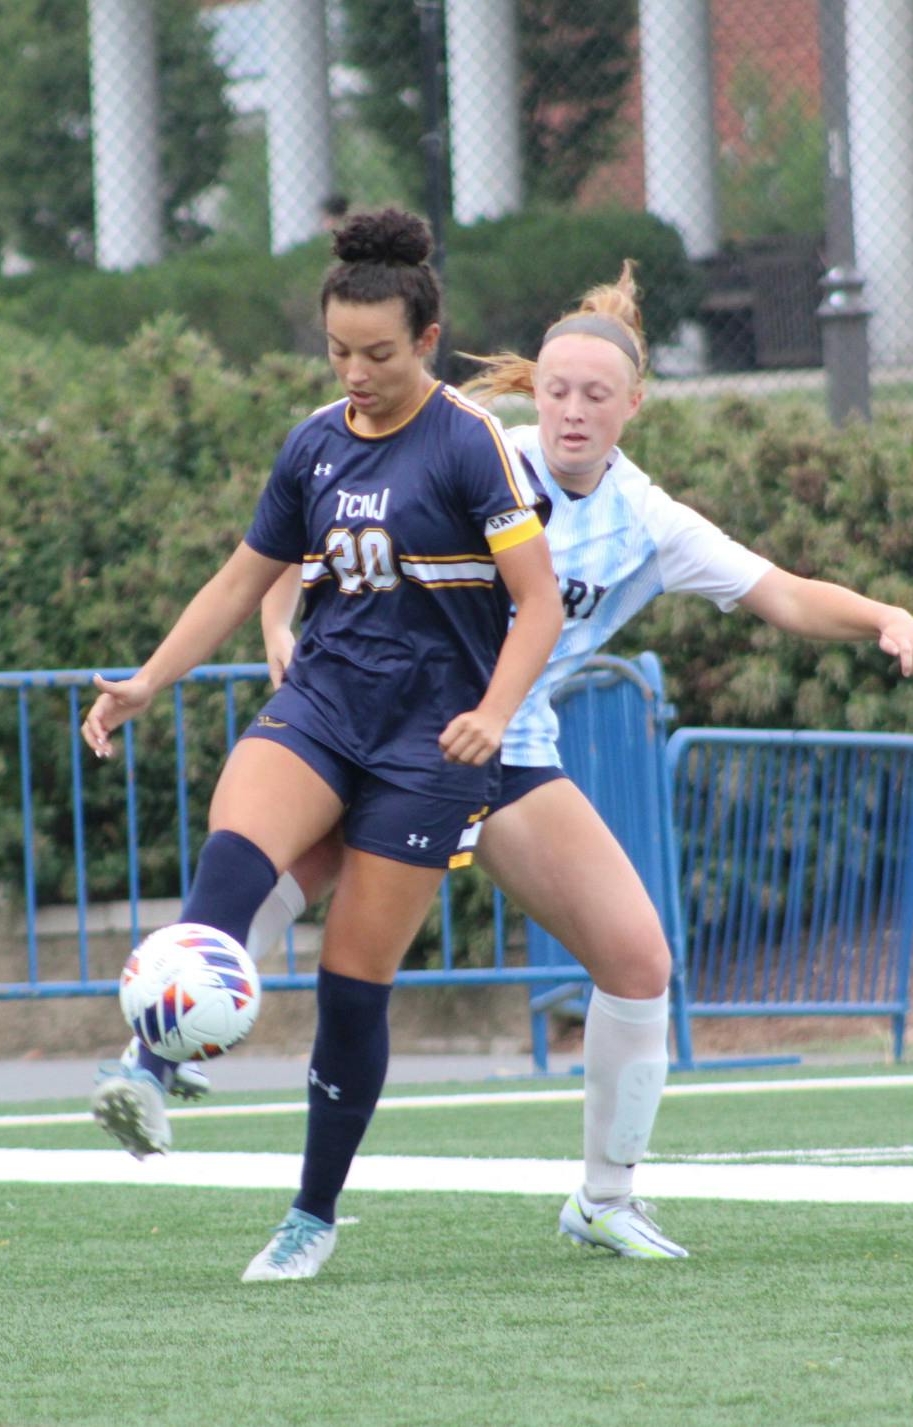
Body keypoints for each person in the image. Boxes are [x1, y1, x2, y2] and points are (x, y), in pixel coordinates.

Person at [211, 263, 913, 1269]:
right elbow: (332, 514)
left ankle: (604, 1196)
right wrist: (277, 613)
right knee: (277, 881)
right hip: (391, 729)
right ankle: (161, 1040)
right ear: (531, 391)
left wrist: (882, 616)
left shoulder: (646, 519)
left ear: (632, 405)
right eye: (555, 387)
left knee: (638, 959)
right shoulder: (478, 454)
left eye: (595, 393)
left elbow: (781, 594)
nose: (571, 408)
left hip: (506, 750)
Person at [79, 210, 563, 1283]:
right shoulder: (313, 441)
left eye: (378, 354)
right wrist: (147, 681)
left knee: (352, 980)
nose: (355, 372)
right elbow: (238, 580)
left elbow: (537, 607)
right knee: (233, 854)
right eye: (338, 350)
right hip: (325, 702)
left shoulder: (469, 442)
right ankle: (153, 1067)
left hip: (430, 743)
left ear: (426, 341)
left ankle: (311, 1212)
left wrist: (492, 709)